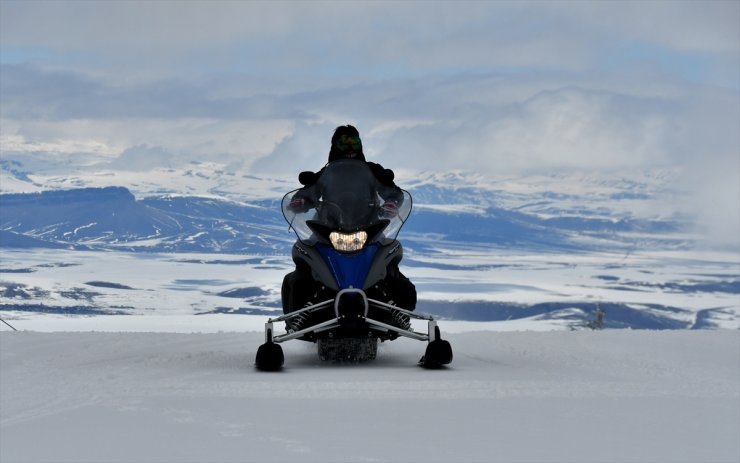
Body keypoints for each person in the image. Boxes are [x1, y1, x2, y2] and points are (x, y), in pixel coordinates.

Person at [281, 125, 416, 325]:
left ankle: (396, 315)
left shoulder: (372, 171)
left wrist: (392, 203)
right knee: (303, 258)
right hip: (328, 232)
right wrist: (300, 201)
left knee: (391, 259)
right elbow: (310, 191)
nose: (350, 147)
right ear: (335, 145)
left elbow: (392, 191)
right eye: (344, 142)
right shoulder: (326, 174)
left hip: (369, 231)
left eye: (354, 141)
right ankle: (300, 318)